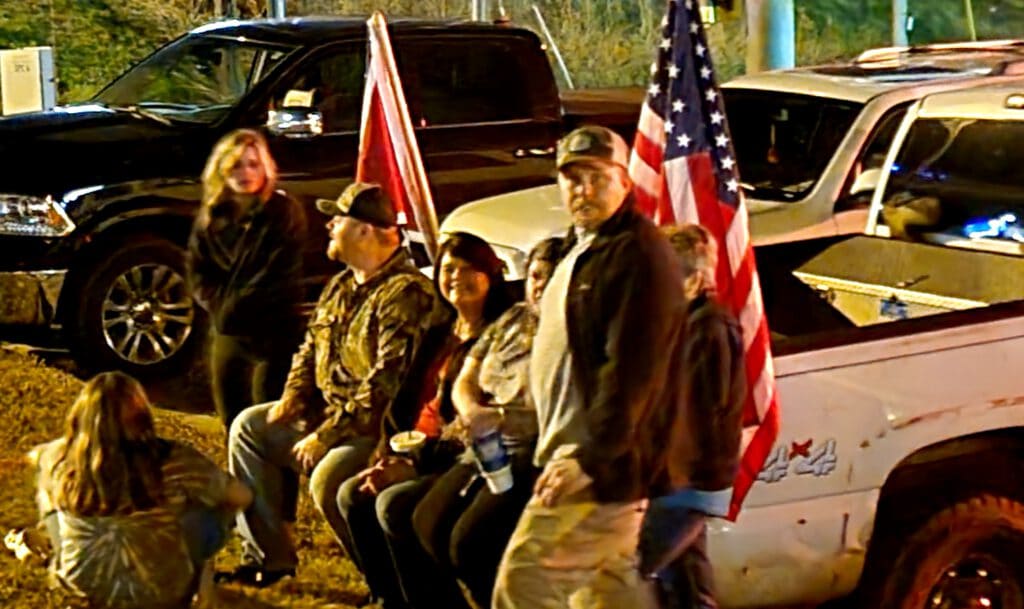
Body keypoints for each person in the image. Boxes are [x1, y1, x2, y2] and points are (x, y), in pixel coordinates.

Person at [491, 125, 687, 609]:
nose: (583, 189)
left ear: (625, 180)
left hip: (600, 467)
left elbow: (633, 372)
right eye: (573, 178)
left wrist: (589, 459)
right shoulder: (586, 246)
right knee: (605, 593)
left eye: (597, 176)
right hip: (584, 457)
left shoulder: (636, 255)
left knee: (524, 584)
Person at [222, 182, 444, 587]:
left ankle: (385, 581)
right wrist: (292, 396)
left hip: (370, 431)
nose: (328, 226)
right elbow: (309, 348)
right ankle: (268, 559)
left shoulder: (406, 294)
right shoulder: (342, 284)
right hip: (327, 415)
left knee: (329, 479)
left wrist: (325, 436)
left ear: (363, 231)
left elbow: (384, 387)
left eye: (337, 219)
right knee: (250, 428)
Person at [336, 232, 513, 609]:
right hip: (413, 449)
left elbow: (475, 426)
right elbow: (402, 403)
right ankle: (391, 598)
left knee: (394, 505)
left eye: (470, 269)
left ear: (491, 276)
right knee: (352, 494)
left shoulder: (500, 338)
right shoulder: (439, 332)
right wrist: (385, 455)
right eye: (448, 269)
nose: (456, 278)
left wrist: (414, 464)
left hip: (456, 458)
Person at [411, 236, 563, 609]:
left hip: (531, 448)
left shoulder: (569, 329)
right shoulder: (513, 318)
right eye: (535, 276)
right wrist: (471, 409)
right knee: (425, 521)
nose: (540, 285)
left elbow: (553, 403)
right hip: (484, 439)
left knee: (469, 543)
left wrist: (495, 416)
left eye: (550, 277)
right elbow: (468, 374)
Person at [33, 371, 252, 609]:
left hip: (82, 584)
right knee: (206, 512)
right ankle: (200, 576)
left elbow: (40, 468)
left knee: (51, 504)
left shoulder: (56, 457)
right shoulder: (176, 461)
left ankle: (68, 559)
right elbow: (241, 496)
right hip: (165, 592)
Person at [638, 224, 745, 609]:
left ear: (694, 280)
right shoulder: (682, 323)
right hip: (675, 479)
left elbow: (696, 416)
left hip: (685, 482)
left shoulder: (708, 329)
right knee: (685, 583)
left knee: (627, 571)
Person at [187, 128, 307, 429]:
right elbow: (199, 271)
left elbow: (273, 273)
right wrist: (217, 307)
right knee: (232, 417)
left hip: (273, 331)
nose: (245, 173)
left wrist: (229, 307)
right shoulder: (213, 217)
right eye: (237, 165)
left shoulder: (282, 211)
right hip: (229, 330)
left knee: (269, 421)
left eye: (253, 164)